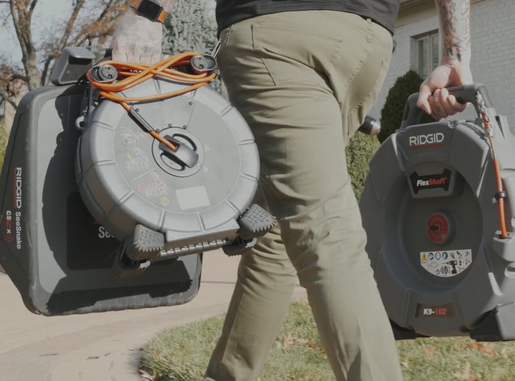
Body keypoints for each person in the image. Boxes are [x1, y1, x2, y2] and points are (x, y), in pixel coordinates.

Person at [109, 0, 472, 379]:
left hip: (276, 35)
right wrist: (454, 52)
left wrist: (147, 13)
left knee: (324, 230)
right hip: (366, 42)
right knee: (275, 230)